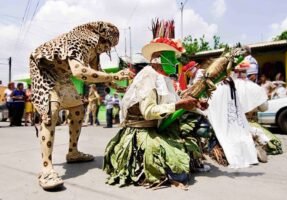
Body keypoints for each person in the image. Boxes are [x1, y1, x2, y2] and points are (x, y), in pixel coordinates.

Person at [29, 21, 132, 190]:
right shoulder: (81, 40)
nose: (107, 49)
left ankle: (73, 152)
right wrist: (115, 75)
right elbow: (80, 72)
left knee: (77, 109)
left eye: (110, 47)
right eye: (107, 45)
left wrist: (122, 87)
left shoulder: (94, 52)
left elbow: (101, 75)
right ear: (101, 38)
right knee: (51, 112)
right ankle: (47, 168)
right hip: (43, 68)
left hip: (61, 76)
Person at [104, 28, 209, 187]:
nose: (175, 63)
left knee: (199, 124)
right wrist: (179, 105)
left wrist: (195, 104)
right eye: (172, 58)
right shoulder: (148, 76)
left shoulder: (165, 78)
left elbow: (178, 100)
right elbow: (148, 112)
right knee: (179, 175)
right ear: (160, 59)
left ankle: (186, 161)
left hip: (160, 126)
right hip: (143, 131)